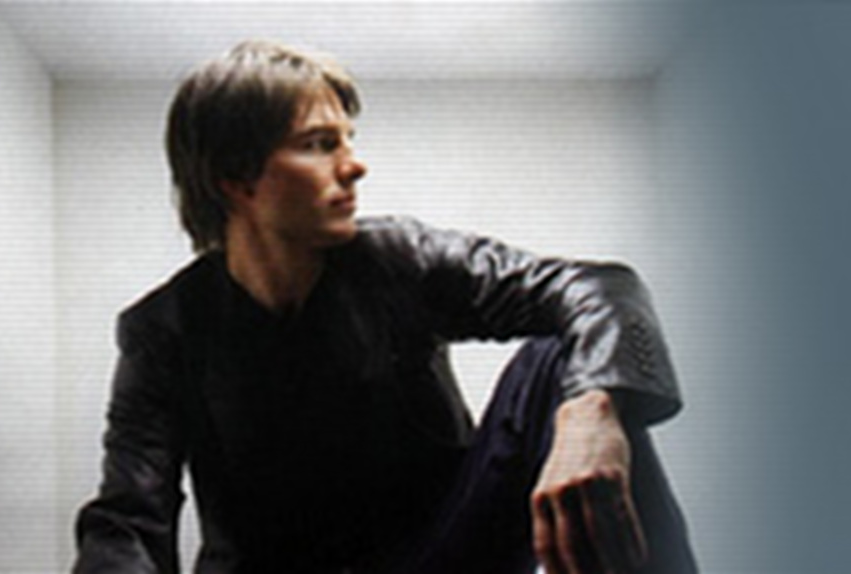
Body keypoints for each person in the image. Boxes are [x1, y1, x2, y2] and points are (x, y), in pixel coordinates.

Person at [73, 40, 697, 574]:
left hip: (445, 555)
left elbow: (598, 288)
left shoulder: (403, 258)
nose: (354, 166)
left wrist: (592, 411)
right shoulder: (164, 329)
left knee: (565, 362)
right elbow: (128, 515)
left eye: (348, 139)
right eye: (320, 144)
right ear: (237, 179)